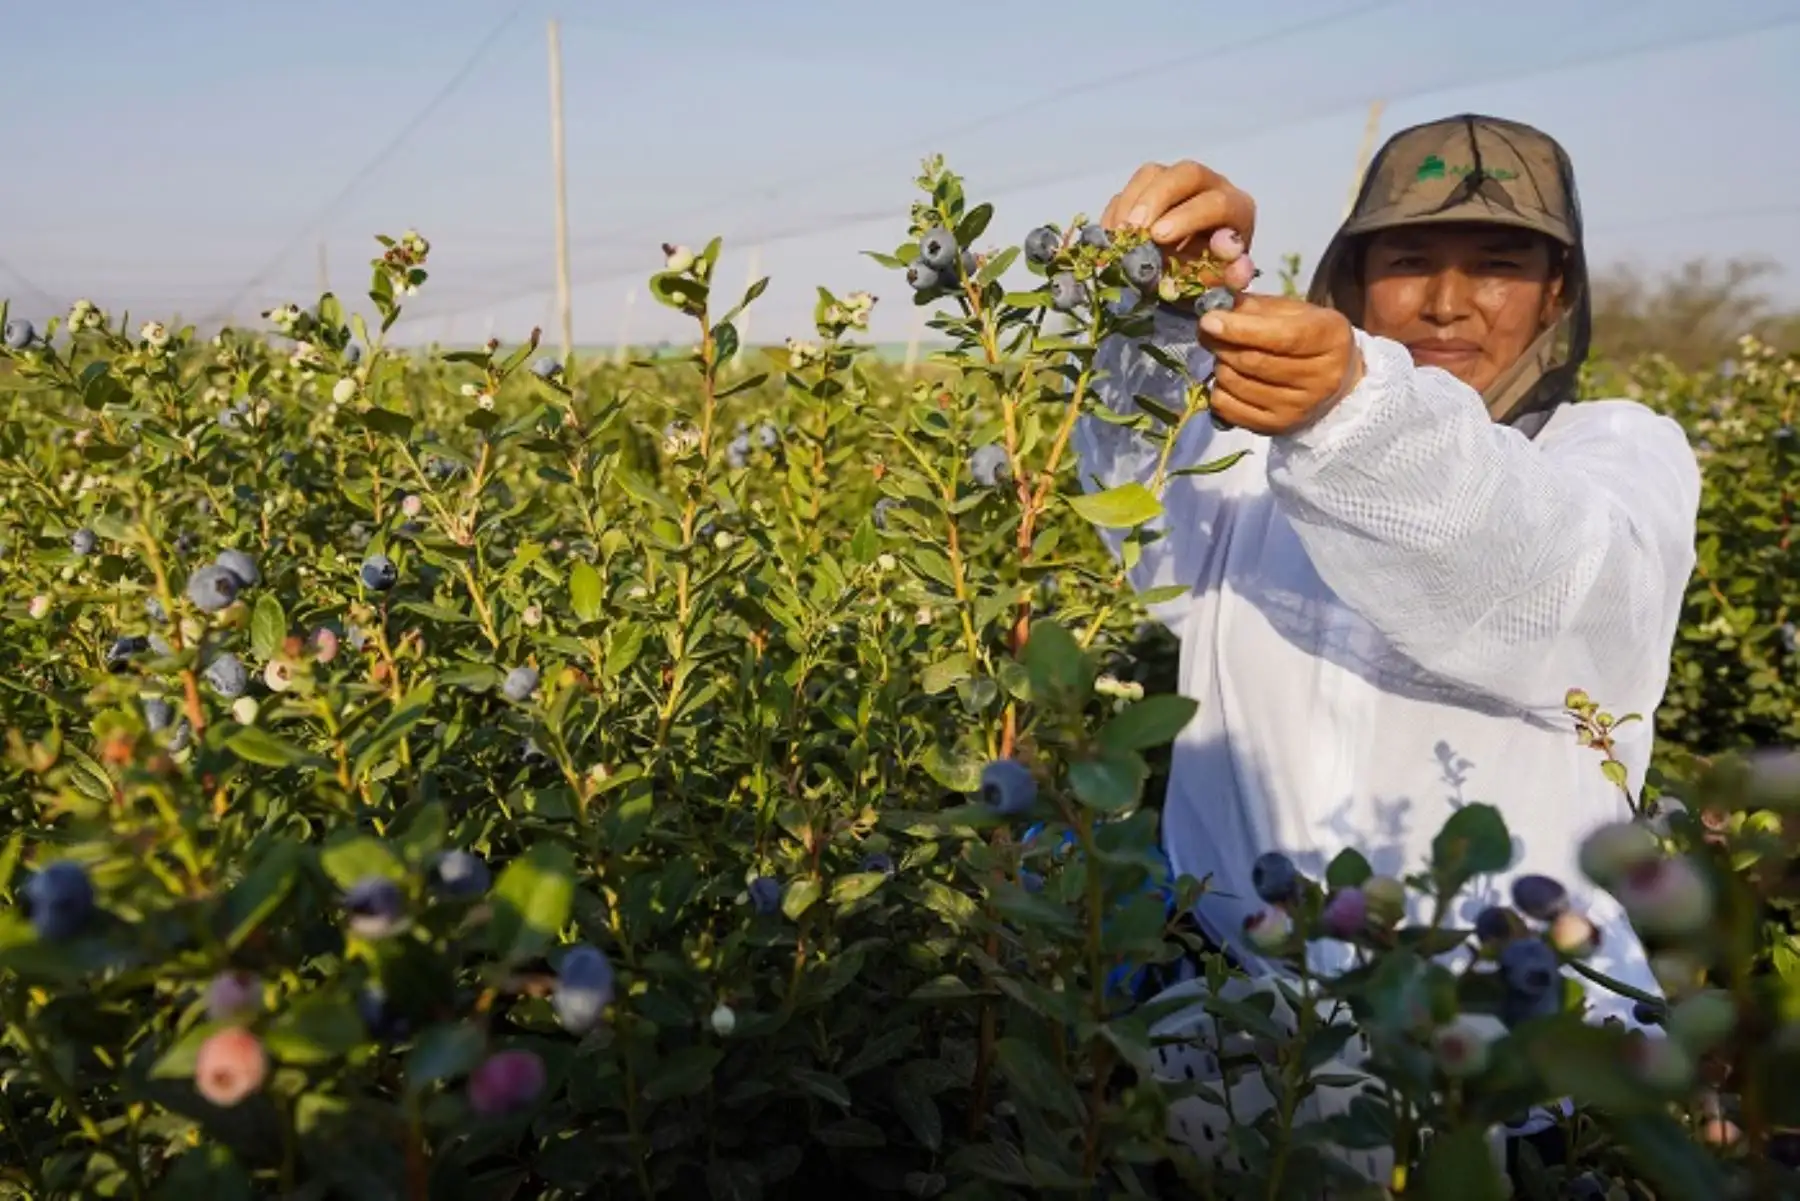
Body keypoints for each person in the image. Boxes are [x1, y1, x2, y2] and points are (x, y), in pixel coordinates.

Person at [1072, 114, 1699, 1086]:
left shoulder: (1617, 454)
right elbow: (1135, 489)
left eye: (1498, 262)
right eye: (1409, 258)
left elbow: (1556, 586)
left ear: (1557, 293)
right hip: (1239, 1047)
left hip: (1511, 1069)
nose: (1448, 303)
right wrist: (1164, 296)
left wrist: (1356, 413)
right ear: (1357, 279)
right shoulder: (1254, 471)